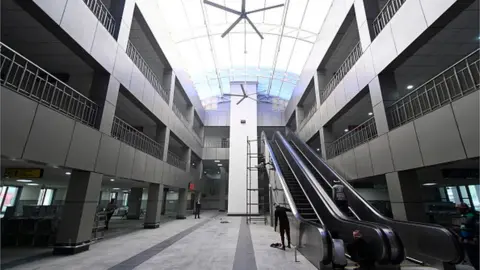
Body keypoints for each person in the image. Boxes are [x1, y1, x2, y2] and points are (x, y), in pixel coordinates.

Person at [457, 203, 479, 270]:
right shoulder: (465, 216)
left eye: (459, 209)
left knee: (475, 258)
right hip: (467, 240)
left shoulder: (470, 216)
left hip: (471, 240)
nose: (458, 210)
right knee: (473, 258)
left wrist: (475, 237)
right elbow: (463, 227)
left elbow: (473, 227)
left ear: (463, 209)